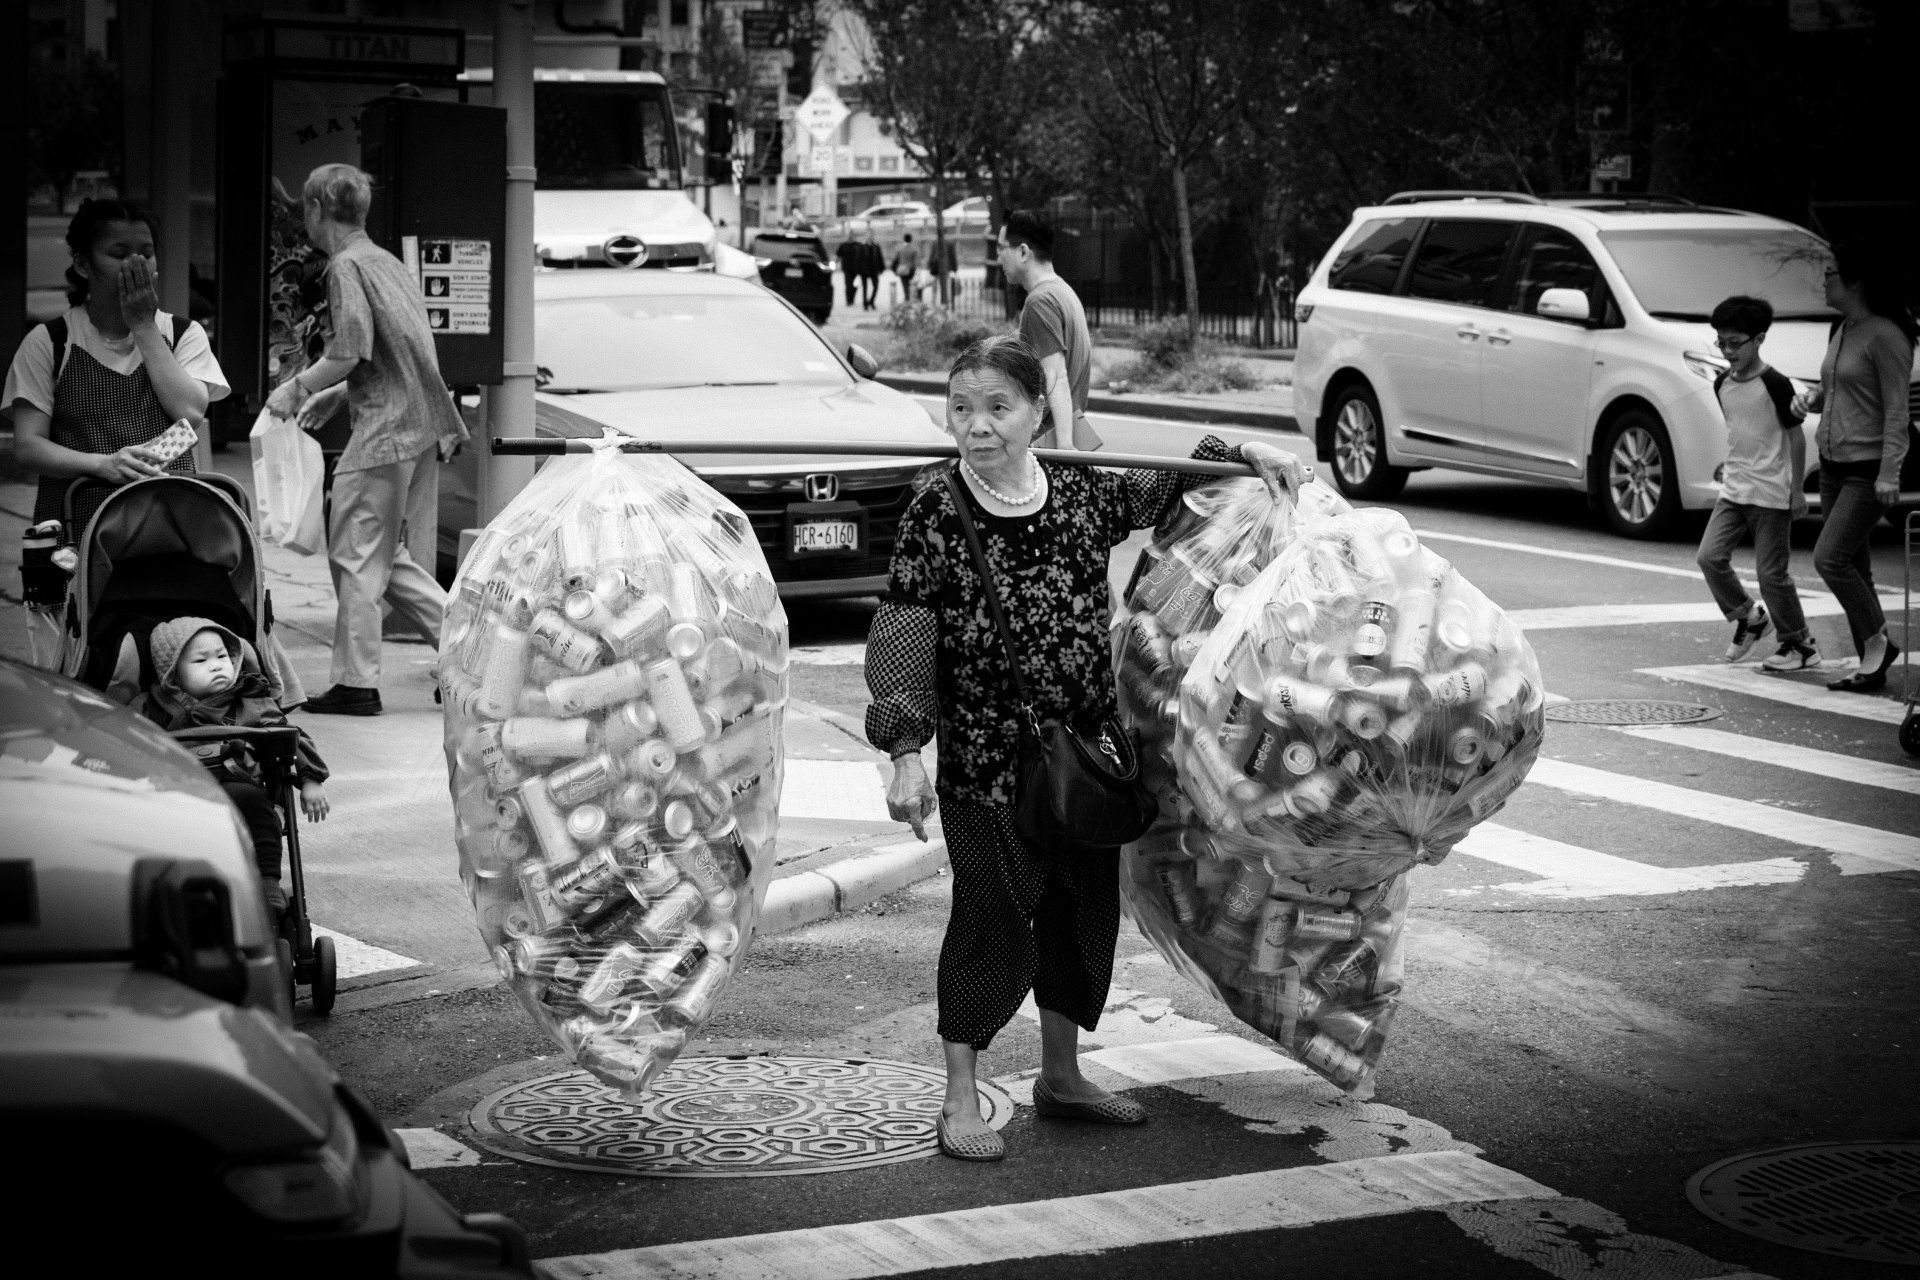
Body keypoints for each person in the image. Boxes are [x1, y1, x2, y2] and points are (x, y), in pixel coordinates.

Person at [865, 336, 1305, 1162]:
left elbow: (1170, 482)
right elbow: (906, 632)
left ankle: (1061, 1077)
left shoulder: (1073, 490)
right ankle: (961, 1096)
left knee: (1079, 914)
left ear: (1038, 413)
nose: (978, 427)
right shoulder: (936, 509)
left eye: (999, 408)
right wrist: (902, 752)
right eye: (962, 409)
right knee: (992, 918)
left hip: (1087, 754)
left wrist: (1248, 450)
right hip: (988, 764)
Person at [266, 163, 468, 716]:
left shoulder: (344, 267)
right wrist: (340, 394)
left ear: (314, 209)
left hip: (386, 429)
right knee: (383, 557)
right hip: (423, 423)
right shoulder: (386, 262)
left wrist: (297, 389)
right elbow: (401, 347)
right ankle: (472, 651)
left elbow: (350, 348)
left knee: (355, 556)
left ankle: (356, 683)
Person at [3, 200, 229, 663]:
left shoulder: (182, 334)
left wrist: (144, 326)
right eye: (119, 251)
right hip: (74, 527)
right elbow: (27, 446)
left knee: (167, 647)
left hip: (170, 527)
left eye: (145, 251)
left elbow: (192, 412)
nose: (136, 263)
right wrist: (102, 464)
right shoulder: (50, 341)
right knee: (81, 656)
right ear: (83, 265)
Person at [132, 616, 330, 923]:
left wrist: (310, 778)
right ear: (172, 674)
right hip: (175, 792)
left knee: (252, 801)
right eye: (201, 660)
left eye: (223, 656)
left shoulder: (249, 702)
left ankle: (267, 882)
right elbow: (119, 738)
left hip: (239, 790)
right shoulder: (151, 708)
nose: (216, 665)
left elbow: (289, 737)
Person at [1791, 244, 1916, 692]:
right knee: (1854, 564)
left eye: (1831, 275)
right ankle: (1873, 658)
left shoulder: (1887, 335)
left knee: (1830, 557)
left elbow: (1897, 412)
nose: (1824, 281)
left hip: (1866, 467)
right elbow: (1839, 389)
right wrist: (1813, 400)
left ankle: (1877, 642)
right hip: (1831, 463)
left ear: (1856, 284)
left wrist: (1890, 473)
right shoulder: (1841, 327)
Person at [1694, 295, 1819, 672]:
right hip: (1734, 489)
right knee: (1709, 557)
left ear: (1759, 339)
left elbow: (1795, 437)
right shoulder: (1721, 384)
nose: (1728, 351)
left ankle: (1800, 643)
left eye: (1735, 343)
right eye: (1721, 342)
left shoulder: (1775, 383)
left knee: (1771, 574)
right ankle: (1749, 616)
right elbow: (1740, 431)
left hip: (1771, 493)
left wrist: (1797, 489)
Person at [998, 209, 1098, 450]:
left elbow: (1056, 375)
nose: (998, 257)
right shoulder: (1063, 291)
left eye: (1001, 248)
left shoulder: (1039, 302)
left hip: (1048, 444)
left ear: (1023, 252)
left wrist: (1064, 447)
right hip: (1064, 435)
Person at [858, 229, 883, 310]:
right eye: (869, 235)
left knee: (876, 286)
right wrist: (858, 269)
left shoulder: (876, 246)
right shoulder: (862, 246)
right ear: (866, 236)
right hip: (864, 269)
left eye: (872, 235)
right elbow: (858, 259)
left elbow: (880, 257)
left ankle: (871, 301)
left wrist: (881, 268)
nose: (870, 237)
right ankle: (865, 304)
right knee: (865, 288)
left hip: (874, 269)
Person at [892, 234, 921, 304]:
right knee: (912, 285)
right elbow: (916, 261)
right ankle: (910, 299)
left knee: (905, 285)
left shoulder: (899, 248)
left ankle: (907, 298)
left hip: (902, 269)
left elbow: (896, 259)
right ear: (911, 240)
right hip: (911, 269)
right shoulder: (914, 249)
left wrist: (895, 269)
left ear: (904, 239)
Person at [835, 235, 862, 308]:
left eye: (852, 235)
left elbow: (863, 256)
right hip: (847, 269)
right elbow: (838, 255)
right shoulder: (844, 245)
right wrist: (836, 263)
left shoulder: (858, 245)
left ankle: (852, 300)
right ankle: (848, 301)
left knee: (855, 286)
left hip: (856, 269)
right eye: (850, 235)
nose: (851, 237)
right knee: (848, 285)